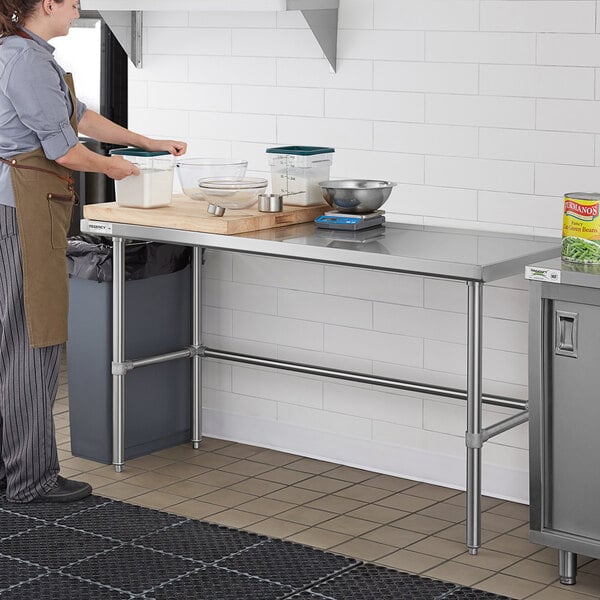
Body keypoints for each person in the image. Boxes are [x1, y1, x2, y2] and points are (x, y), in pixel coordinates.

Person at [0, 0, 187, 503]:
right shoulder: (27, 59)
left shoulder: (22, 53)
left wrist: (145, 142)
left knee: (14, 339)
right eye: (72, 1)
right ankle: (28, 479)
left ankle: (11, 469)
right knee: (32, 340)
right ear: (46, 5)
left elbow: (79, 117)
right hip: (22, 211)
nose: (79, 8)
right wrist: (116, 169)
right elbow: (63, 149)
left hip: (16, 208)